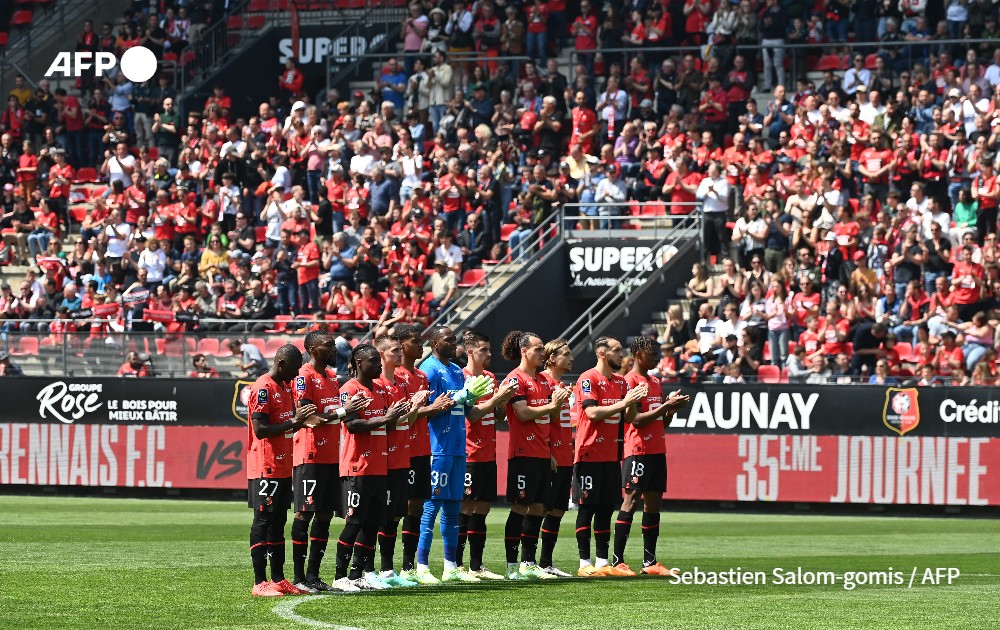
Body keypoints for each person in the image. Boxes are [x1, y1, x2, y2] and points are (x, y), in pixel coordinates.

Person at [289, 332, 369, 593]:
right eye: (328, 346)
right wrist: (345, 411)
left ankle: (314, 576)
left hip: (332, 456)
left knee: (324, 515)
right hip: (310, 455)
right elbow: (309, 417)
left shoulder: (333, 378)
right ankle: (299, 577)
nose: (334, 349)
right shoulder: (303, 376)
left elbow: (327, 416)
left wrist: (337, 413)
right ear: (313, 348)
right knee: (305, 513)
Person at [414, 326, 494, 583]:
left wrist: (480, 398)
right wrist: (458, 397)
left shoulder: (457, 371)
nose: (454, 343)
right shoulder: (429, 370)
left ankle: (451, 567)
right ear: (434, 342)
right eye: (448, 340)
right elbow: (427, 410)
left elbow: (469, 413)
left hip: (459, 447)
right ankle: (422, 566)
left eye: (454, 339)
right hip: (437, 447)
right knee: (431, 507)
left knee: (452, 508)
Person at [333, 344, 412, 591]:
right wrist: (386, 418)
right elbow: (352, 424)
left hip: (380, 466)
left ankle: (358, 574)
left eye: (379, 360)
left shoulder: (380, 390)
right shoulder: (350, 389)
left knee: (372, 523)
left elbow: (387, 427)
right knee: (354, 522)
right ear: (358, 363)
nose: (379, 365)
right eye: (373, 361)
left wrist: (397, 415)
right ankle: (339, 576)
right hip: (358, 466)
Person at [613, 336, 690, 576]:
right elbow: (635, 420)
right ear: (638, 354)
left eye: (658, 352)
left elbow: (661, 422)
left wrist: (671, 409)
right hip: (638, 450)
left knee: (654, 503)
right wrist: (665, 407)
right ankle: (617, 561)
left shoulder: (655, 382)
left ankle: (650, 562)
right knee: (632, 499)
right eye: (652, 352)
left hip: (657, 449)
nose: (657, 356)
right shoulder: (630, 381)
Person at [499, 331, 571, 581]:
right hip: (522, 453)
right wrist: (553, 405)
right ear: (524, 351)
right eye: (538, 349)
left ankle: (529, 563)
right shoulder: (515, 379)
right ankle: (511, 566)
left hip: (542, 453)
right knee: (520, 506)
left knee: (539, 508)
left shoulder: (544, 380)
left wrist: (561, 399)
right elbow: (523, 413)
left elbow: (551, 417)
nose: (542, 353)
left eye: (543, 349)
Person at [246, 344, 317, 597]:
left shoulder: (286, 388)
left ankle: (278, 578)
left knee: (278, 523)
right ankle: (259, 581)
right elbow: (261, 429)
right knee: (263, 521)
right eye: (295, 369)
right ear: (281, 363)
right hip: (265, 465)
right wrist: (294, 422)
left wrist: (299, 423)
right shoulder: (263, 388)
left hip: (283, 465)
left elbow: (286, 426)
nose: (297, 375)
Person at [572, 336, 646, 577]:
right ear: (602, 353)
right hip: (589, 453)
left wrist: (633, 401)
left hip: (612, 454)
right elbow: (592, 413)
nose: (621, 355)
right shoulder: (588, 378)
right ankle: (584, 563)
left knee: (605, 509)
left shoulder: (621, 383)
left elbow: (627, 418)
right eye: (616, 350)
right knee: (587, 508)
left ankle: (602, 562)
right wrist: (624, 402)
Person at [392, 324, 452, 582]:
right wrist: (433, 407)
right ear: (402, 344)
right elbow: (403, 414)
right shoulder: (392, 376)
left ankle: (409, 567)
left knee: (415, 507)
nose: (420, 346)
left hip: (420, 448)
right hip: (398, 450)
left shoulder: (420, 376)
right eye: (415, 341)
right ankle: (384, 567)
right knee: (395, 509)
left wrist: (443, 404)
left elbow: (422, 413)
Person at [370, 334, 429, 588]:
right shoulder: (375, 383)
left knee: (396, 514)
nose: (400, 354)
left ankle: (391, 569)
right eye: (394, 350)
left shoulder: (402, 383)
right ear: (382, 354)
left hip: (402, 457)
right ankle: (368, 570)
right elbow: (385, 423)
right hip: (382, 457)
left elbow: (407, 422)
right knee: (377, 514)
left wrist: (414, 407)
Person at [457, 330, 516, 579]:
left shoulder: (491, 377)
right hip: (469, 453)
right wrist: (497, 400)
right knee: (465, 507)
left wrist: (502, 404)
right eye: (484, 350)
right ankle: (456, 565)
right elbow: (472, 415)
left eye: (490, 350)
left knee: (483, 508)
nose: (490, 354)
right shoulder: (462, 377)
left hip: (488, 454)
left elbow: (496, 416)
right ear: (470, 351)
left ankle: (476, 565)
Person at [536, 339, 575, 577]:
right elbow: (542, 422)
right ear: (552, 358)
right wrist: (548, 450)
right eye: (566, 354)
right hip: (550, 455)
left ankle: (545, 562)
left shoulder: (560, 384)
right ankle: (525, 561)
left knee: (558, 509)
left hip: (565, 456)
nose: (571, 358)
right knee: (539, 509)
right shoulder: (544, 384)